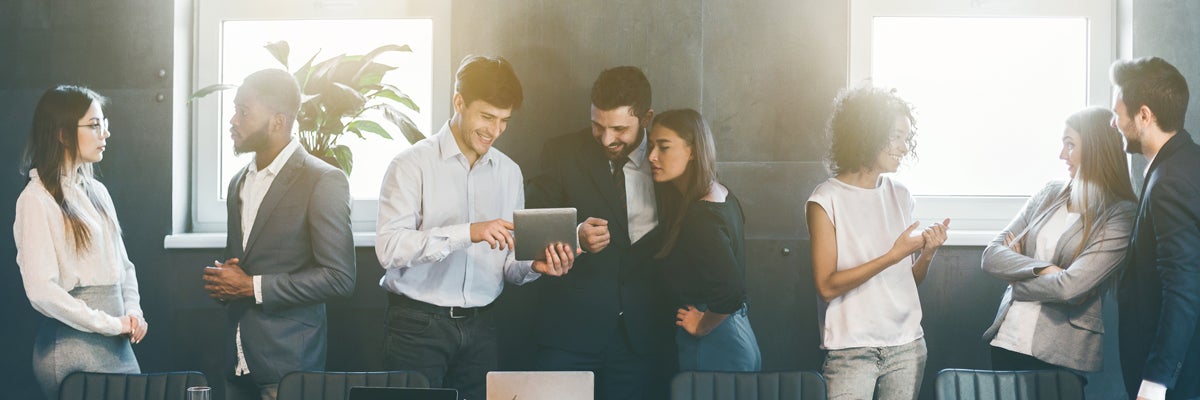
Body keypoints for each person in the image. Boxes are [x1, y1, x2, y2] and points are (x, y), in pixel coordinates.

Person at [375, 55, 577, 400]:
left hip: (482, 328)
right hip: (417, 327)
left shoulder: (509, 172)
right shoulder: (410, 164)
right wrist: (467, 231)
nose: (495, 131)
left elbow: (510, 266)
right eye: (486, 117)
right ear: (459, 102)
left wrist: (534, 266)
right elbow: (389, 249)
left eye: (504, 121)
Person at [201, 68, 356, 400]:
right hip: (236, 361)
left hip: (289, 365)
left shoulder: (323, 180)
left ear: (278, 121)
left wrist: (250, 286)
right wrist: (225, 283)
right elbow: (244, 263)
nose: (233, 120)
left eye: (244, 111)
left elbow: (339, 277)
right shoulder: (238, 182)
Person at [526, 66, 674, 399]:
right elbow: (532, 229)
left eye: (619, 128)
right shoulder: (561, 152)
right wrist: (575, 236)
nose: (607, 139)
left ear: (646, 117)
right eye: (597, 125)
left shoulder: (669, 157)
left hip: (645, 339)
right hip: (568, 335)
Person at [805, 85, 949, 400]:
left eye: (906, 138)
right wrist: (892, 254)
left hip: (907, 346)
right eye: (895, 136)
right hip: (851, 349)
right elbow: (827, 286)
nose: (903, 147)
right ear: (866, 133)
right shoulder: (825, 199)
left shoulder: (901, 194)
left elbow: (906, 281)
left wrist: (927, 254)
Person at [980, 106, 1136, 377]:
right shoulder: (1049, 193)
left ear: (1097, 149)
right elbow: (991, 255)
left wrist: (1017, 280)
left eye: (1070, 145)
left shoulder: (1120, 213)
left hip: (1060, 352)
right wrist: (1045, 269)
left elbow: (1070, 288)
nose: (1062, 155)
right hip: (1008, 337)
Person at [15, 85, 147, 400]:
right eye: (94, 125)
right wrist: (112, 324)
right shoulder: (36, 199)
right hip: (73, 348)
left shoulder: (97, 191)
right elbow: (43, 293)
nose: (105, 133)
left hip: (117, 343)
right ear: (62, 133)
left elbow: (124, 266)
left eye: (105, 123)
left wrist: (134, 312)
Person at [1112, 56, 1200, 400]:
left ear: (1144, 115)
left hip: (1177, 381)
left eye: (1117, 114)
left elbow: (1182, 287)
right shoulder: (1187, 162)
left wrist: (1157, 380)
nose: (1113, 123)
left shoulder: (1169, 182)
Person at [647, 108, 762, 372]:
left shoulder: (701, 215)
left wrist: (703, 325)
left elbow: (731, 292)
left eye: (663, 147)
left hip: (716, 343)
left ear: (692, 151)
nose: (652, 156)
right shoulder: (721, 195)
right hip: (736, 335)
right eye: (651, 146)